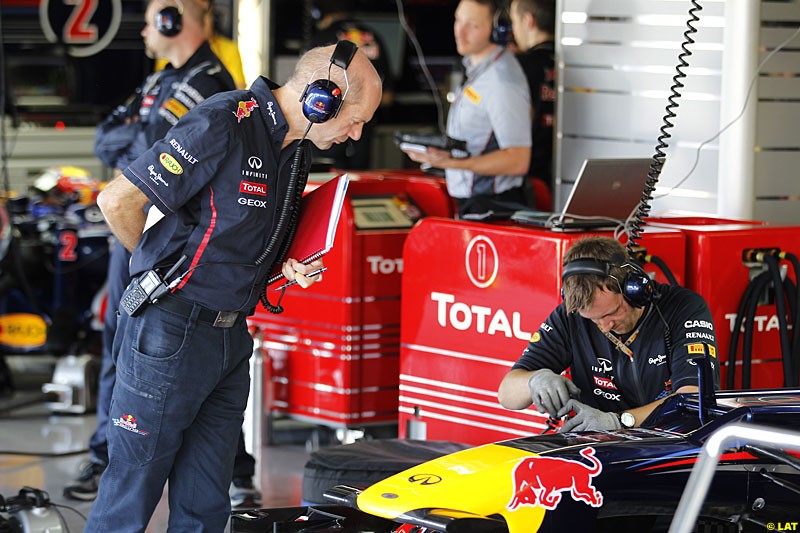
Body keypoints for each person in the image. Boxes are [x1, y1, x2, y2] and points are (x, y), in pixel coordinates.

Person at [84, 42, 382, 531]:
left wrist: (282, 268)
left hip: (230, 338)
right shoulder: (224, 121)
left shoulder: (296, 151)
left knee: (206, 506)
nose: (356, 134)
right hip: (169, 331)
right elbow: (117, 200)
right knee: (129, 500)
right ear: (320, 99)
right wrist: (161, 271)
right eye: (355, 118)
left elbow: (238, 236)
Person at [63, 0, 258, 508]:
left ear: (175, 19)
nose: (145, 30)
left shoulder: (211, 85)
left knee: (199, 363)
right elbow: (111, 138)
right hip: (128, 228)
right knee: (118, 345)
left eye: (151, 19)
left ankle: (234, 472)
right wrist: (139, 151)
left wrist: (139, 151)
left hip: (172, 247)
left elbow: (152, 147)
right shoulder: (157, 83)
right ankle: (107, 448)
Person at [498, 236, 720, 432]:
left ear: (635, 290)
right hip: (594, 446)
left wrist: (619, 421)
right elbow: (506, 394)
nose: (604, 326)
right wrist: (535, 380)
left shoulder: (684, 307)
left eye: (612, 313)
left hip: (666, 444)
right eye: (594, 320)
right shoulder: (571, 317)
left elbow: (692, 399)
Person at [400, 0, 531, 218]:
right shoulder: (478, 68)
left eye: (473, 25)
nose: (460, 31)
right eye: (458, 20)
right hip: (476, 203)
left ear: (496, 30)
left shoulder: (502, 80)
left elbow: (518, 160)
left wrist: (452, 162)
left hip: (493, 206)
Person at [308, 0, 394, 170]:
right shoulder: (374, 37)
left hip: (327, 137)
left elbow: (308, 95)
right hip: (362, 138)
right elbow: (387, 97)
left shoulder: (322, 39)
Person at [509, 0, 555, 208]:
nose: (513, 30)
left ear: (529, 21)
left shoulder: (520, 66)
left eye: (514, 21)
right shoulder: (574, 62)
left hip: (530, 178)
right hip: (572, 171)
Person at [154, 2, 247, 90]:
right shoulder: (169, 49)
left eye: (204, 15)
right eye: (197, 16)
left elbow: (238, 91)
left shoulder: (230, 49)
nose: (201, 21)